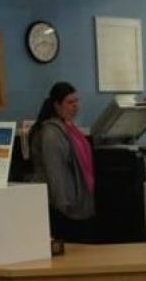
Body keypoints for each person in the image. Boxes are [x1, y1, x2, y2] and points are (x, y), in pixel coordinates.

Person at [29, 81, 97, 243]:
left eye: (77, 101)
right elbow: (55, 171)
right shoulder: (52, 134)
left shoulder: (69, 128)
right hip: (63, 206)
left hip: (76, 201)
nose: (75, 106)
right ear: (57, 106)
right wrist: (62, 204)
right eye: (70, 102)